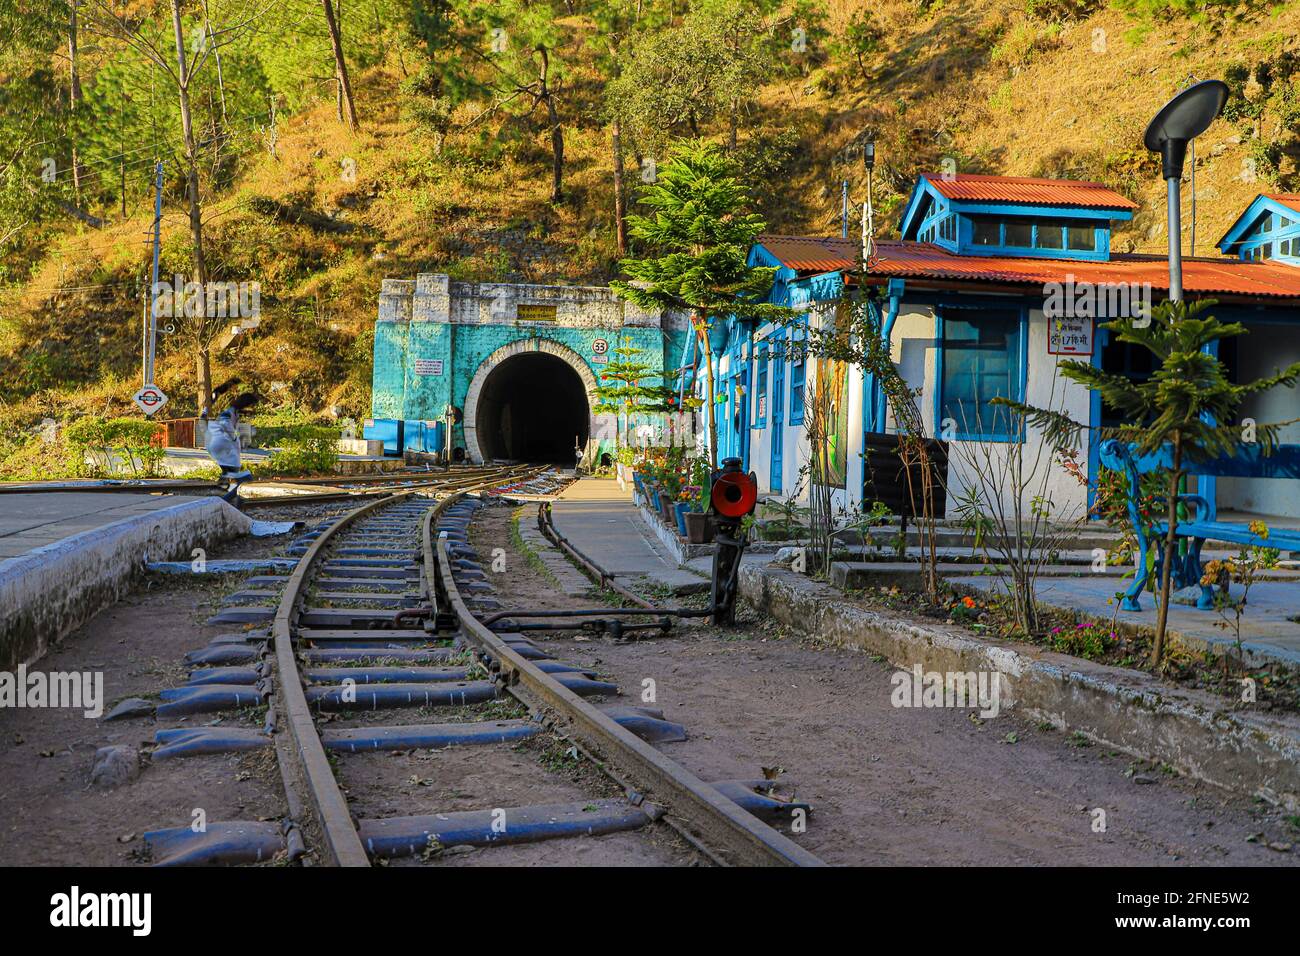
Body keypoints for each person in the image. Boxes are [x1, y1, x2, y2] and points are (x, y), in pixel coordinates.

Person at [205, 391, 258, 504]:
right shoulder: (229, 412)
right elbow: (225, 423)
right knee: (243, 479)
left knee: (235, 478)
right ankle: (226, 502)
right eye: (251, 405)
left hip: (224, 448)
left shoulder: (233, 412)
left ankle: (232, 502)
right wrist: (233, 437)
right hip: (225, 449)